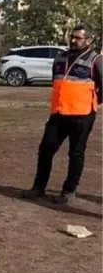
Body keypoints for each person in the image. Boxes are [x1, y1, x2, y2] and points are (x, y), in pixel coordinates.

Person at [24, 24, 102, 206]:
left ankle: (69, 190)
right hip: (59, 113)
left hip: (82, 115)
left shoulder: (96, 60)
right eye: (72, 37)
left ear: (88, 41)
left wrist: (91, 101)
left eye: (78, 38)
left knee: (76, 153)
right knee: (46, 149)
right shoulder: (60, 58)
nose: (74, 41)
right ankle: (38, 187)